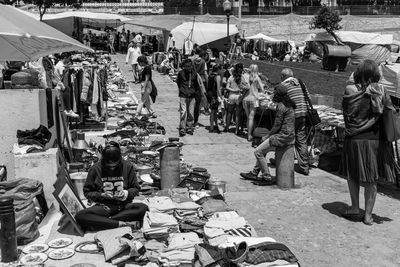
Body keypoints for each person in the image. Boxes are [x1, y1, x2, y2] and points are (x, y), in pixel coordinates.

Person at [341, 60, 399, 225]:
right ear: (376, 74)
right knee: (371, 178)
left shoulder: (349, 89)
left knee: (352, 174)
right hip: (373, 140)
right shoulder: (381, 91)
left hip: (353, 139)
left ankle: (354, 207)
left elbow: (347, 114)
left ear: (358, 73)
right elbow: (390, 113)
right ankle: (368, 215)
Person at [75, 142, 148, 231]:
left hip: (124, 206)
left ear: (120, 160)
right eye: (109, 167)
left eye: (115, 166)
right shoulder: (95, 168)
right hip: (104, 207)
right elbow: (87, 192)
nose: (112, 168)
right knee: (80, 216)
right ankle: (120, 223)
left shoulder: (128, 166)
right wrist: (101, 195)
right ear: (103, 161)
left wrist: (126, 193)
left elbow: (136, 188)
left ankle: (104, 222)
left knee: (143, 208)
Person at [240, 84, 296, 184]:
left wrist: (267, 136)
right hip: (290, 136)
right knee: (263, 149)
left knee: (257, 151)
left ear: (277, 95)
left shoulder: (281, 106)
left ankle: (266, 176)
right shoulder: (289, 105)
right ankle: (255, 172)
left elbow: (276, 125)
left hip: (282, 137)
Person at [279, 68, 310, 175]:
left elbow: (279, 102)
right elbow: (308, 97)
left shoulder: (284, 86)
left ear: (283, 76)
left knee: (286, 138)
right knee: (301, 139)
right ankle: (304, 166)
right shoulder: (301, 83)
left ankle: (283, 160)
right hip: (303, 113)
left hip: (291, 116)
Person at [177, 59, 200, 137]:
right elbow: (178, 82)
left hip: (192, 95)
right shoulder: (181, 73)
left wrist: (194, 92)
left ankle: (189, 126)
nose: (188, 68)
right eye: (186, 66)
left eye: (190, 66)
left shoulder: (194, 74)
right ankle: (182, 128)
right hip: (183, 95)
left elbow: (196, 85)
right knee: (183, 112)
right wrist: (182, 90)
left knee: (190, 112)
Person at [225, 63, 249, 135]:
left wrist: (232, 90)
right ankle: (236, 130)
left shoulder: (231, 77)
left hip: (231, 95)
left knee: (229, 112)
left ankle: (227, 127)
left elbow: (227, 87)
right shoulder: (243, 77)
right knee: (238, 114)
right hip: (239, 96)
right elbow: (247, 86)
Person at [54, 53, 79, 118]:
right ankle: (68, 109)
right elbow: (63, 77)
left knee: (67, 88)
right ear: (65, 57)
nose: (69, 60)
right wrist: (67, 69)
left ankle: (68, 109)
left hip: (59, 83)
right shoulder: (60, 65)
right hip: (59, 84)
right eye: (69, 58)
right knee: (67, 89)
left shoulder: (60, 65)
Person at [243, 64, 263, 142]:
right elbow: (262, 89)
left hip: (245, 98)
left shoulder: (245, 76)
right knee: (251, 118)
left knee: (248, 117)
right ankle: (249, 135)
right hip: (254, 98)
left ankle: (249, 133)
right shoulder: (257, 78)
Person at [192, 49, 208, 127]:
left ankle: (190, 120)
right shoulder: (203, 62)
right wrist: (208, 82)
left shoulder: (193, 60)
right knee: (199, 101)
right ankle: (196, 121)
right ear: (204, 55)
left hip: (193, 80)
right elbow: (205, 73)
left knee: (191, 102)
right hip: (201, 81)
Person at [207, 64, 222, 133]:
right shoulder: (217, 76)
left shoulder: (210, 75)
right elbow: (218, 88)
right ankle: (213, 127)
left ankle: (213, 125)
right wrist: (221, 97)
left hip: (209, 95)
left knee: (213, 111)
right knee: (214, 112)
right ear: (218, 69)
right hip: (214, 95)